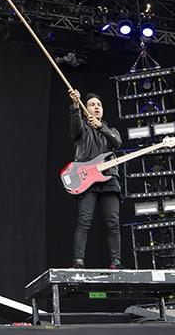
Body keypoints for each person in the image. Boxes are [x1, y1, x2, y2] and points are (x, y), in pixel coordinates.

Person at [68, 89, 123, 269]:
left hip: (109, 178)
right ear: (87, 110)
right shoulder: (81, 129)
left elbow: (117, 143)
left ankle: (116, 262)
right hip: (87, 180)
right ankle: (78, 261)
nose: (96, 107)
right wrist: (76, 106)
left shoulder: (111, 130)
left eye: (99, 105)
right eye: (92, 104)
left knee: (113, 222)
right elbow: (75, 126)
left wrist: (101, 127)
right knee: (84, 221)